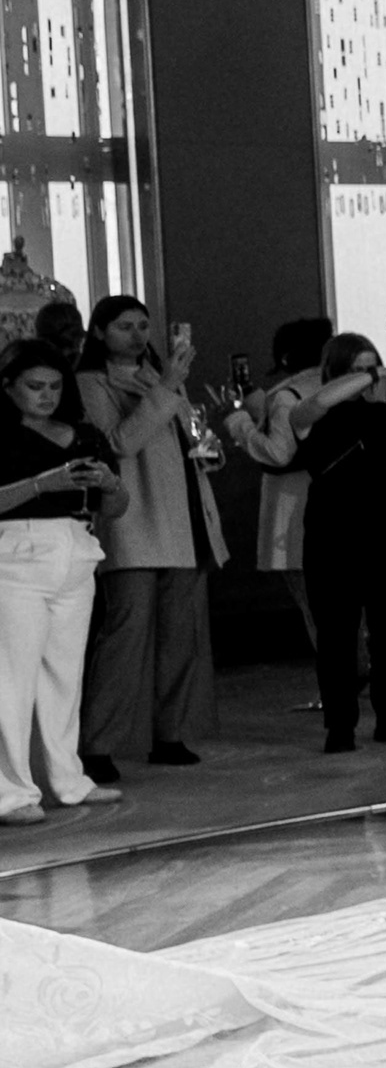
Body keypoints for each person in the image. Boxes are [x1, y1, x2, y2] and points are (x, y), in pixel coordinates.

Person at [74, 295, 225, 780]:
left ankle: (170, 733)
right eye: (124, 326)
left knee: (180, 636)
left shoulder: (158, 378)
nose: (137, 335)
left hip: (183, 516)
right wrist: (166, 387)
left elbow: (183, 438)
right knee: (126, 634)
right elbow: (118, 443)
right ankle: (98, 744)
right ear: (100, 332)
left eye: (143, 325)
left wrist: (206, 450)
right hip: (134, 520)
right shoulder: (90, 382)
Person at [0, 339, 125, 822]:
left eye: (54, 386)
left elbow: (116, 507)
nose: (46, 395)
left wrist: (110, 484)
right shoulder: (4, 435)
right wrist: (41, 484)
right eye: (35, 386)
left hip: (76, 546)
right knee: (12, 679)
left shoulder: (84, 433)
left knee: (65, 676)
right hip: (17, 552)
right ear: (8, 387)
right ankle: (11, 792)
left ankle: (68, 778)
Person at [293, 331, 386, 752]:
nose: (369, 377)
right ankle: (340, 726)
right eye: (357, 369)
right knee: (336, 634)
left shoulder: (381, 413)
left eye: (372, 366)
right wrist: (377, 373)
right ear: (335, 372)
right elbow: (318, 402)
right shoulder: (310, 412)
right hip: (333, 533)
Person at [220, 317, 334, 653]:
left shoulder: (285, 396)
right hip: (336, 503)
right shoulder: (339, 385)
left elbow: (278, 453)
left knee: (315, 606)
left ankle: (337, 675)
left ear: (285, 356)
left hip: (293, 509)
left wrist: (239, 423)